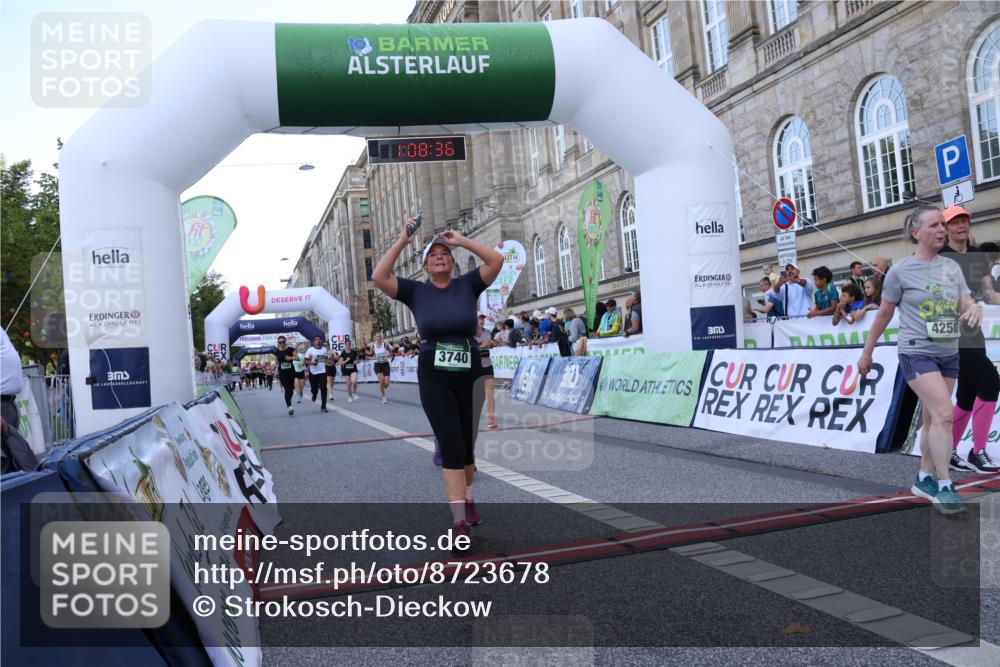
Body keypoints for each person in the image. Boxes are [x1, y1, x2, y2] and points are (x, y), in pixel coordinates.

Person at [372, 225, 502, 542]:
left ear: (453, 262)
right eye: (433, 255)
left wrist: (461, 241)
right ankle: (459, 522)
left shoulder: (467, 285)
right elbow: (379, 276)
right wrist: (403, 240)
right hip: (434, 376)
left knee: (466, 443)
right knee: (450, 443)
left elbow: (496, 261)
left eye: (445, 254)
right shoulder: (416, 291)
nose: (440, 257)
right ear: (426, 266)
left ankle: (468, 495)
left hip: (470, 372)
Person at [858, 204, 984, 513]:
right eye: (934, 226)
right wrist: (867, 352)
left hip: (948, 352)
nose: (942, 230)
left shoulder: (951, 267)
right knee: (943, 414)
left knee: (932, 419)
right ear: (916, 233)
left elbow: (965, 300)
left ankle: (924, 478)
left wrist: (973, 307)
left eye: (943, 225)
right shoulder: (900, 271)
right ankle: (945, 485)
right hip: (916, 352)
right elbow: (883, 316)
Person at [940, 205, 1000, 474]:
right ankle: (978, 452)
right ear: (946, 228)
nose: (961, 225)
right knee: (990, 381)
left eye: (964, 220)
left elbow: (988, 293)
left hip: (974, 331)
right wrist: (965, 305)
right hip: (952, 333)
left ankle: (947, 452)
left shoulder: (976, 255)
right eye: (955, 222)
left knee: (966, 395)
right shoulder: (941, 257)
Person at [475, 314, 498, 429]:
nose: (482, 320)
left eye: (483, 318)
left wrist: (478, 346)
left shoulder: (488, 332)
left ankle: (492, 418)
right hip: (474, 366)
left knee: (490, 392)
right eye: (480, 318)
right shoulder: (469, 333)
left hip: (487, 365)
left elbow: (488, 344)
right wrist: (481, 346)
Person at [304, 335, 329, 413]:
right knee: (314, 389)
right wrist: (312, 363)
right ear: (314, 342)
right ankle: (314, 394)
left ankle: (323, 407)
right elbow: (305, 361)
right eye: (316, 339)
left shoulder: (324, 350)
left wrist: (330, 361)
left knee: (323, 388)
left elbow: (326, 359)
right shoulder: (310, 350)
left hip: (322, 372)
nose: (318, 341)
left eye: (319, 339)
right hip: (313, 373)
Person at [275, 337, 297, 416]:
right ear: (278, 343)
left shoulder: (291, 349)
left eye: (283, 342)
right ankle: (289, 406)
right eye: (280, 342)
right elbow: (277, 360)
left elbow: (297, 358)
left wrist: (290, 358)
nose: (281, 343)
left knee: (290, 390)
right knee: (287, 389)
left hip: (290, 372)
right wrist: (274, 367)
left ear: (285, 342)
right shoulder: (277, 351)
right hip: (282, 373)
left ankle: (289, 402)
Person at [373, 332, 392, 404]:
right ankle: (384, 397)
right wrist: (372, 356)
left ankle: (384, 385)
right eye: (377, 336)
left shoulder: (385, 345)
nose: (378, 338)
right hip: (377, 364)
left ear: (381, 337)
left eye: (379, 336)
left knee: (387, 383)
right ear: (375, 338)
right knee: (381, 381)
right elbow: (371, 354)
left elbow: (391, 353)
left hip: (385, 364)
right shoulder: (373, 346)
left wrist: (388, 355)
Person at [339, 338, 360, 402]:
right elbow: (341, 363)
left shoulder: (354, 352)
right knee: (348, 384)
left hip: (353, 369)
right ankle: (350, 396)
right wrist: (347, 360)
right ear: (345, 345)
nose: (348, 345)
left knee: (354, 381)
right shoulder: (343, 353)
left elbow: (358, 359)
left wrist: (357, 361)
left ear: (350, 345)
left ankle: (354, 393)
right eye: (347, 344)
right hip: (346, 370)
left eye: (349, 344)